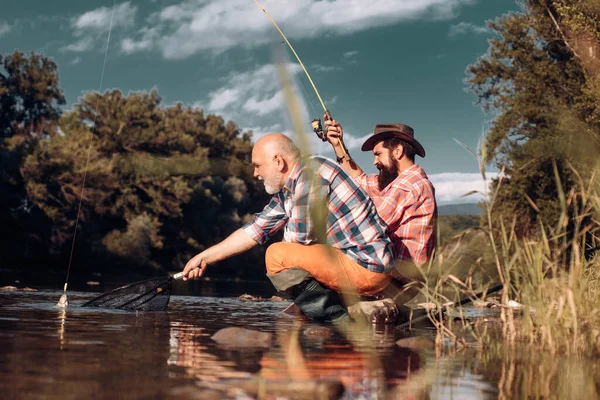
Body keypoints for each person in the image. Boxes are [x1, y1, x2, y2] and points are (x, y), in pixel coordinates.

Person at [182, 133, 395, 323]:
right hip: (355, 262)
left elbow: (299, 240)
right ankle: (339, 309)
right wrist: (205, 257)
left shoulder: (310, 175)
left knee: (277, 254)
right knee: (283, 257)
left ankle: (338, 319)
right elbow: (254, 230)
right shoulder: (288, 190)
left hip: (366, 265)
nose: (255, 173)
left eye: (257, 165)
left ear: (278, 161)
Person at [324, 118, 438, 314]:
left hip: (394, 281)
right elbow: (360, 180)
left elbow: (366, 224)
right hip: (397, 281)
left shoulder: (409, 185)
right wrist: (338, 145)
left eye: (378, 154)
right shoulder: (399, 181)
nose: (374, 161)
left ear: (397, 151)